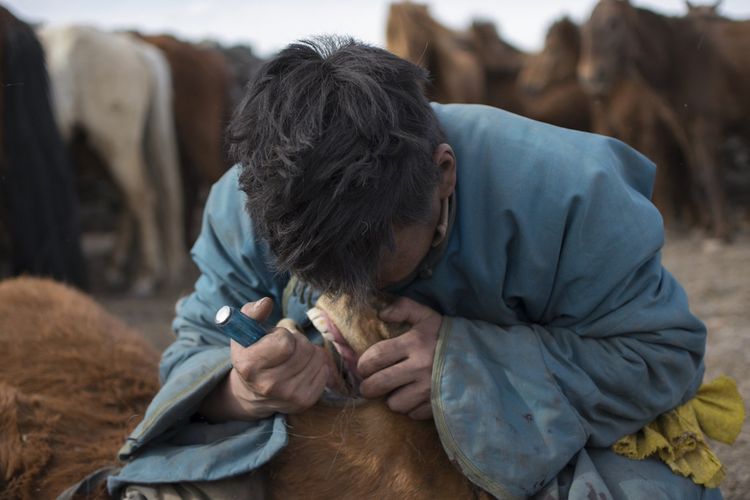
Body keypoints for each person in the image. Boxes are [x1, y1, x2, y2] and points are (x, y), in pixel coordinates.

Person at [109, 36, 719, 499]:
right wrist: (241, 387)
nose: (350, 296)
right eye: (321, 269)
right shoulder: (247, 201)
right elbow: (191, 352)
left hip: (542, 433)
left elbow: (660, 358)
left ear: (444, 173)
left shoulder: (571, 197)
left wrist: (467, 365)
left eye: (372, 259)